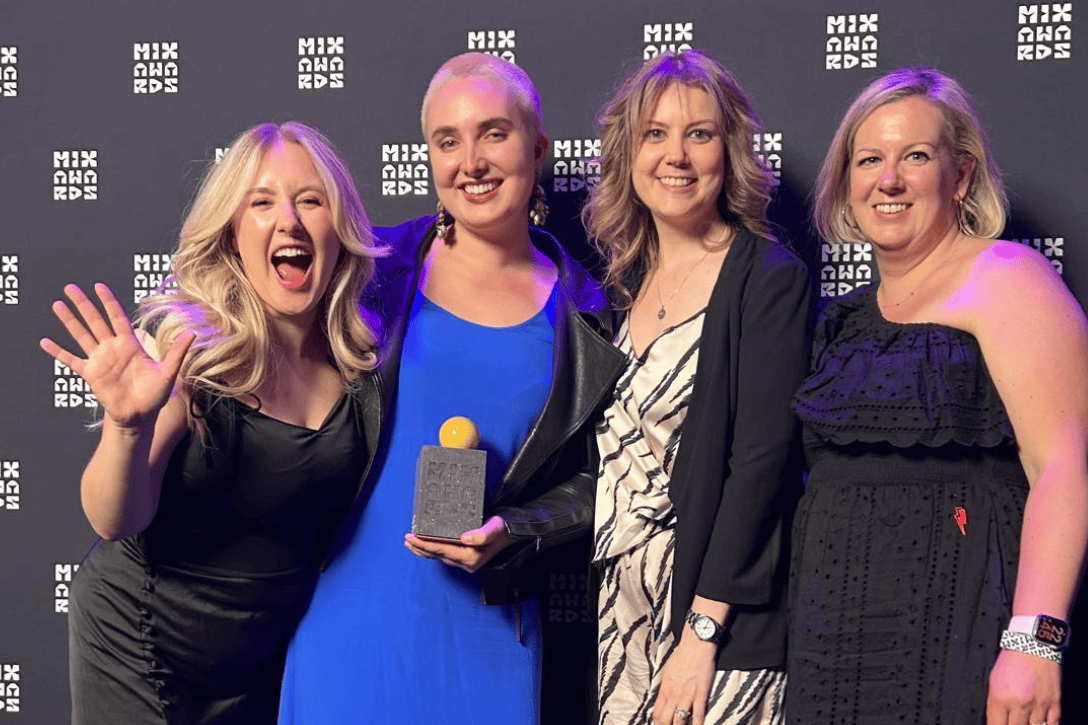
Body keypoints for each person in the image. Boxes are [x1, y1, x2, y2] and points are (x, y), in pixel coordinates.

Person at [277, 53, 626, 725]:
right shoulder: (368, 270)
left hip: (489, 635)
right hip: (353, 619)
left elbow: (602, 478)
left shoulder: (591, 315)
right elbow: (257, 306)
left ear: (538, 147)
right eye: (448, 140)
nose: (472, 160)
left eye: (494, 132)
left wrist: (515, 528)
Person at [39, 121, 385, 724]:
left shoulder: (360, 362)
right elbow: (115, 518)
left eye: (311, 200)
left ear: (341, 227)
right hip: (143, 644)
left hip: (259, 660)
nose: (290, 221)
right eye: (261, 203)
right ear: (231, 232)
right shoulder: (191, 349)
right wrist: (126, 427)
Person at [787, 67, 1088, 725]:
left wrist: (1033, 641)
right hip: (832, 634)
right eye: (869, 159)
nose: (887, 180)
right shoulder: (841, 318)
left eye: (915, 156)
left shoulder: (1007, 278)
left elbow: (1062, 466)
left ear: (961, 174)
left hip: (965, 622)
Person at [583, 50, 812, 725]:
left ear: (730, 151)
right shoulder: (620, 289)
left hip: (718, 623)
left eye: (699, 133)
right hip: (623, 614)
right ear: (629, 152)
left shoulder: (769, 278)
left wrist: (702, 632)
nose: (675, 155)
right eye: (655, 133)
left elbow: (761, 468)